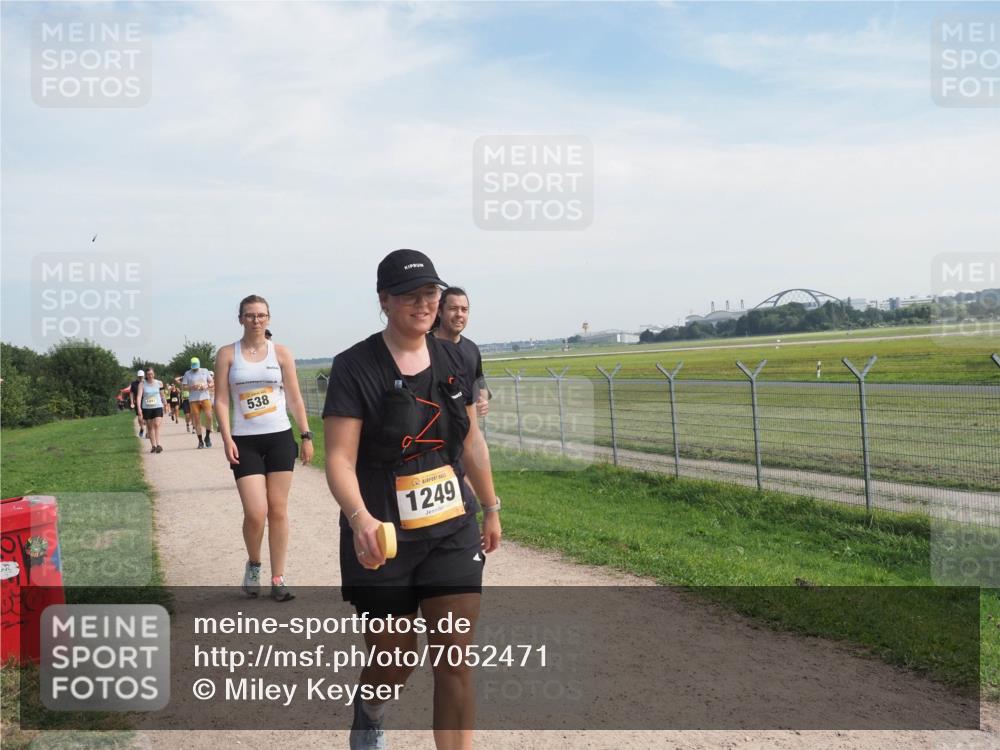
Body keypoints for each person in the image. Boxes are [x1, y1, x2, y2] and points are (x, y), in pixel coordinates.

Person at [323, 249, 502, 750]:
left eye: (430, 293)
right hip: (382, 533)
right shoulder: (354, 366)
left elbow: (469, 441)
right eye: (409, 295)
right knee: (394, 657)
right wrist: (358, 519)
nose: (423, 304)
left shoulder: (457, 359)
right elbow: (338, 458)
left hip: (451, 526)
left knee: (454, 659)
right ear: (384, 301)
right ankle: (372, 710)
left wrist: (490, 506)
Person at [215, 295, 314, 602]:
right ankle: (254, 563)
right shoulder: (227, 354)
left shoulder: (281, 353)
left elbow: (295, 399)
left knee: (278, 510)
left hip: (280, 437)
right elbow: (221, 399)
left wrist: (306, 434)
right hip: (245, 441)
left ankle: (278, 577)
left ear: (269, 318)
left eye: (261, 315)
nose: (256, 320)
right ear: (240, 319)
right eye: (249, 315)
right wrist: (227, 438)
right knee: (256, 512)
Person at [433, 287, 490, 419]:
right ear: (440, 312)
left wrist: (483, 401)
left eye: (464, 310)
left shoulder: (472, 348)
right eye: (453, 309)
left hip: (467, 429)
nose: (459, 314)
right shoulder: (424, 346)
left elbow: (480, 384)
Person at [177, 357, 214, 448]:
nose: (195, 368)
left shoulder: (205, 371)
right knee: (196, 420)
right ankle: (200, 441)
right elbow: (184, 387)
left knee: (209, 417)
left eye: (196, 366)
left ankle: (207, 437)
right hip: (193, 400)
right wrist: (191, 387)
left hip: (205, 397)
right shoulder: (187, 373)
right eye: (193, 366)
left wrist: (207, 386)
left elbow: (212, 382)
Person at [139, 367, 167, 453]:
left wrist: (165, 404)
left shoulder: (159, 383)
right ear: (146, 375)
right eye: (148, 374)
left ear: (154, 374)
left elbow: (162, 395)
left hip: (158, 406)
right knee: (150, 427)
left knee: (157, 424)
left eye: (151, 374)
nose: (150, 376)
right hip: (147, 408)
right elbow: (139, 396)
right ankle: (153, 446)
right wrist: (139, 408)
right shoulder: (142, 384)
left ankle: (158, 445)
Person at [128, 369, 146, 437]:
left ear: (144, 376)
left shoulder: (146, 383)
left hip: (146, 402)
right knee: (139, 416)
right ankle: (142, 428)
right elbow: (131, 393)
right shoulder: (133, 384)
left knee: (147, 418)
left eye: (142, 376)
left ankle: (148, 432)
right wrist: (132, 402)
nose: (141, 377)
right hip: (138, 402)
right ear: (137, 376)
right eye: (139, 376)